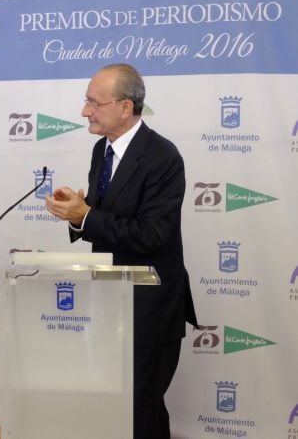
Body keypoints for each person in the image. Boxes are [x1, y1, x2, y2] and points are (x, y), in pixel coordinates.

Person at [45, 63, 198, 439]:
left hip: (149, 306)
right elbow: (105, 218)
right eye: (86, 102)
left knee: (141, 408)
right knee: (114, 406)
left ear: (126, 107)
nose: (85, 111)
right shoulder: (102, 149)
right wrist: (77, 213)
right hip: (109, 300)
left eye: (94, 103)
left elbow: (152, 234)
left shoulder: (163, 157)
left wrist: (89, 215)